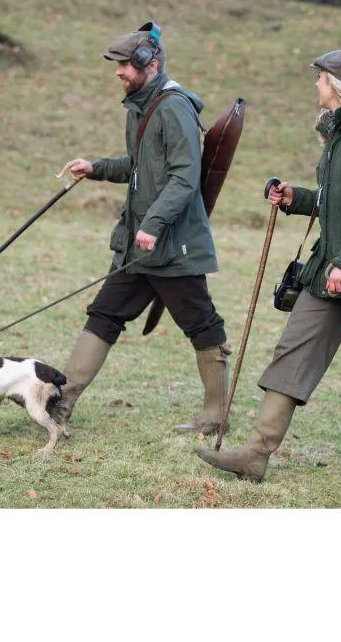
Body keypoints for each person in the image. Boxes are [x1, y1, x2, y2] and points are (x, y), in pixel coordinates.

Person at [197, 49, 341, 486]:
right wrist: (294, 198)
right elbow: (336, 201)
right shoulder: (339, 133)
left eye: (319, 78)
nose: (315, 84)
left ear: (337, 84)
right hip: (326, 272)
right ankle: (256, 455)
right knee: (291, 353)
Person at [55, 22, 231, 436]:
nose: (117, 72)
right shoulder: (140, 106)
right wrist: (96, 168)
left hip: (171, 247)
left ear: (147, 65)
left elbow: (184, 178)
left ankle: (215, 414)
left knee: (202, 325)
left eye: (123, 65)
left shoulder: (174, 109)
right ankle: (59, 403)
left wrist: (153, 224)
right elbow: (139, 168)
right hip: (140, 246)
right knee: (104, 314)